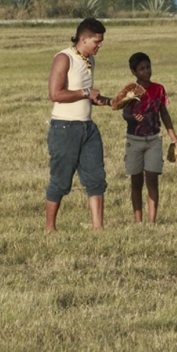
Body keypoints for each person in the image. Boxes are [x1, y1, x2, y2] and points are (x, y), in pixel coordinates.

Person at [45, 18, 113, 232]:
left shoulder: (90, 60)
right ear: (83, 39)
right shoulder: (64, 58)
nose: (100, 45)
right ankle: (50, 228)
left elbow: (85, 95)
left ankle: (98, 227)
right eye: (97, 41)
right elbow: (55, 94)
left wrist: (107, 100)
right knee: (61, 179)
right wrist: (85, 93)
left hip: (87, 127)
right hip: (65, 128)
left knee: (96, 178)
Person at [121, 52, 177, 224]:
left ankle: (152, 221)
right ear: (133, 72)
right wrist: (133, 117)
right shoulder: (131, 91)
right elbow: (124, 112)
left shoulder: (158, 89)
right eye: (141, 69)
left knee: (153, 179)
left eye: (148, 67)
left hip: (154, 139)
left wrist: (173, 138)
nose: (146, 71)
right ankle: (138, 221)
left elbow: (164, 113)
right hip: (135, 140)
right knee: (136, 181)